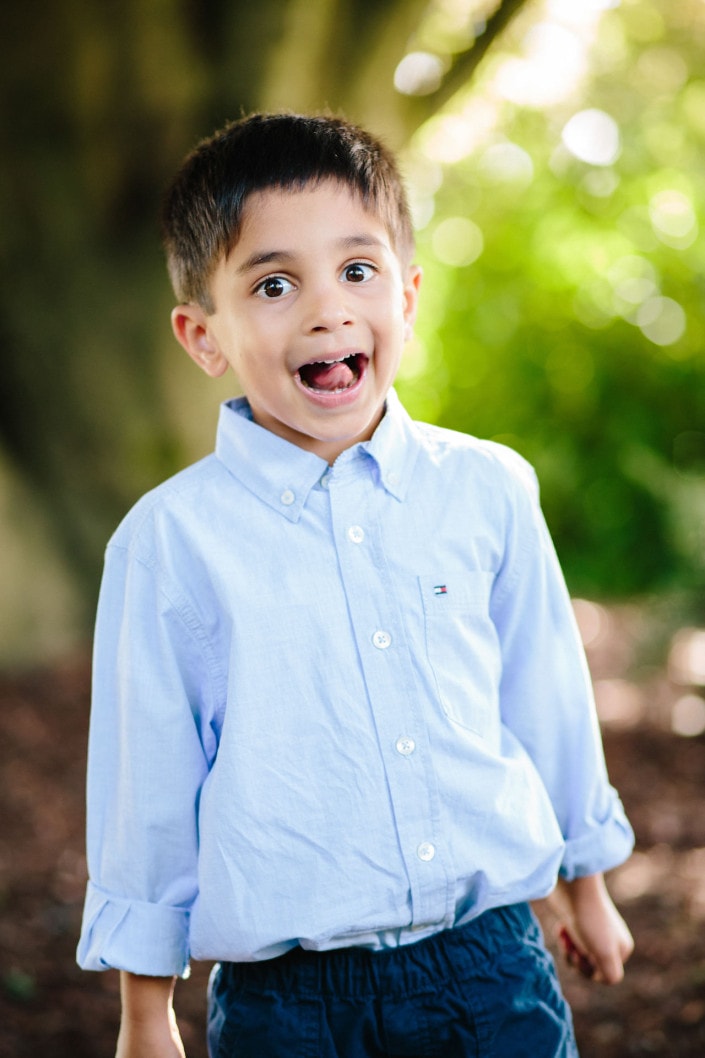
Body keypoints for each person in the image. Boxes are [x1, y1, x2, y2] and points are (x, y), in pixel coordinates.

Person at [77, 112, 635, 1058]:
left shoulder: (486, 488)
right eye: (274, 283)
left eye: (358, 270)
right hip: (286, 1004)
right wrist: (145, 1011)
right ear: (201, 335)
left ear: (408, 297)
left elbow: (542, 693)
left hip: (488, 962)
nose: (327, 310)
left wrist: (585, 882)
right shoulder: (169, 543)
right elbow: (149, 786)